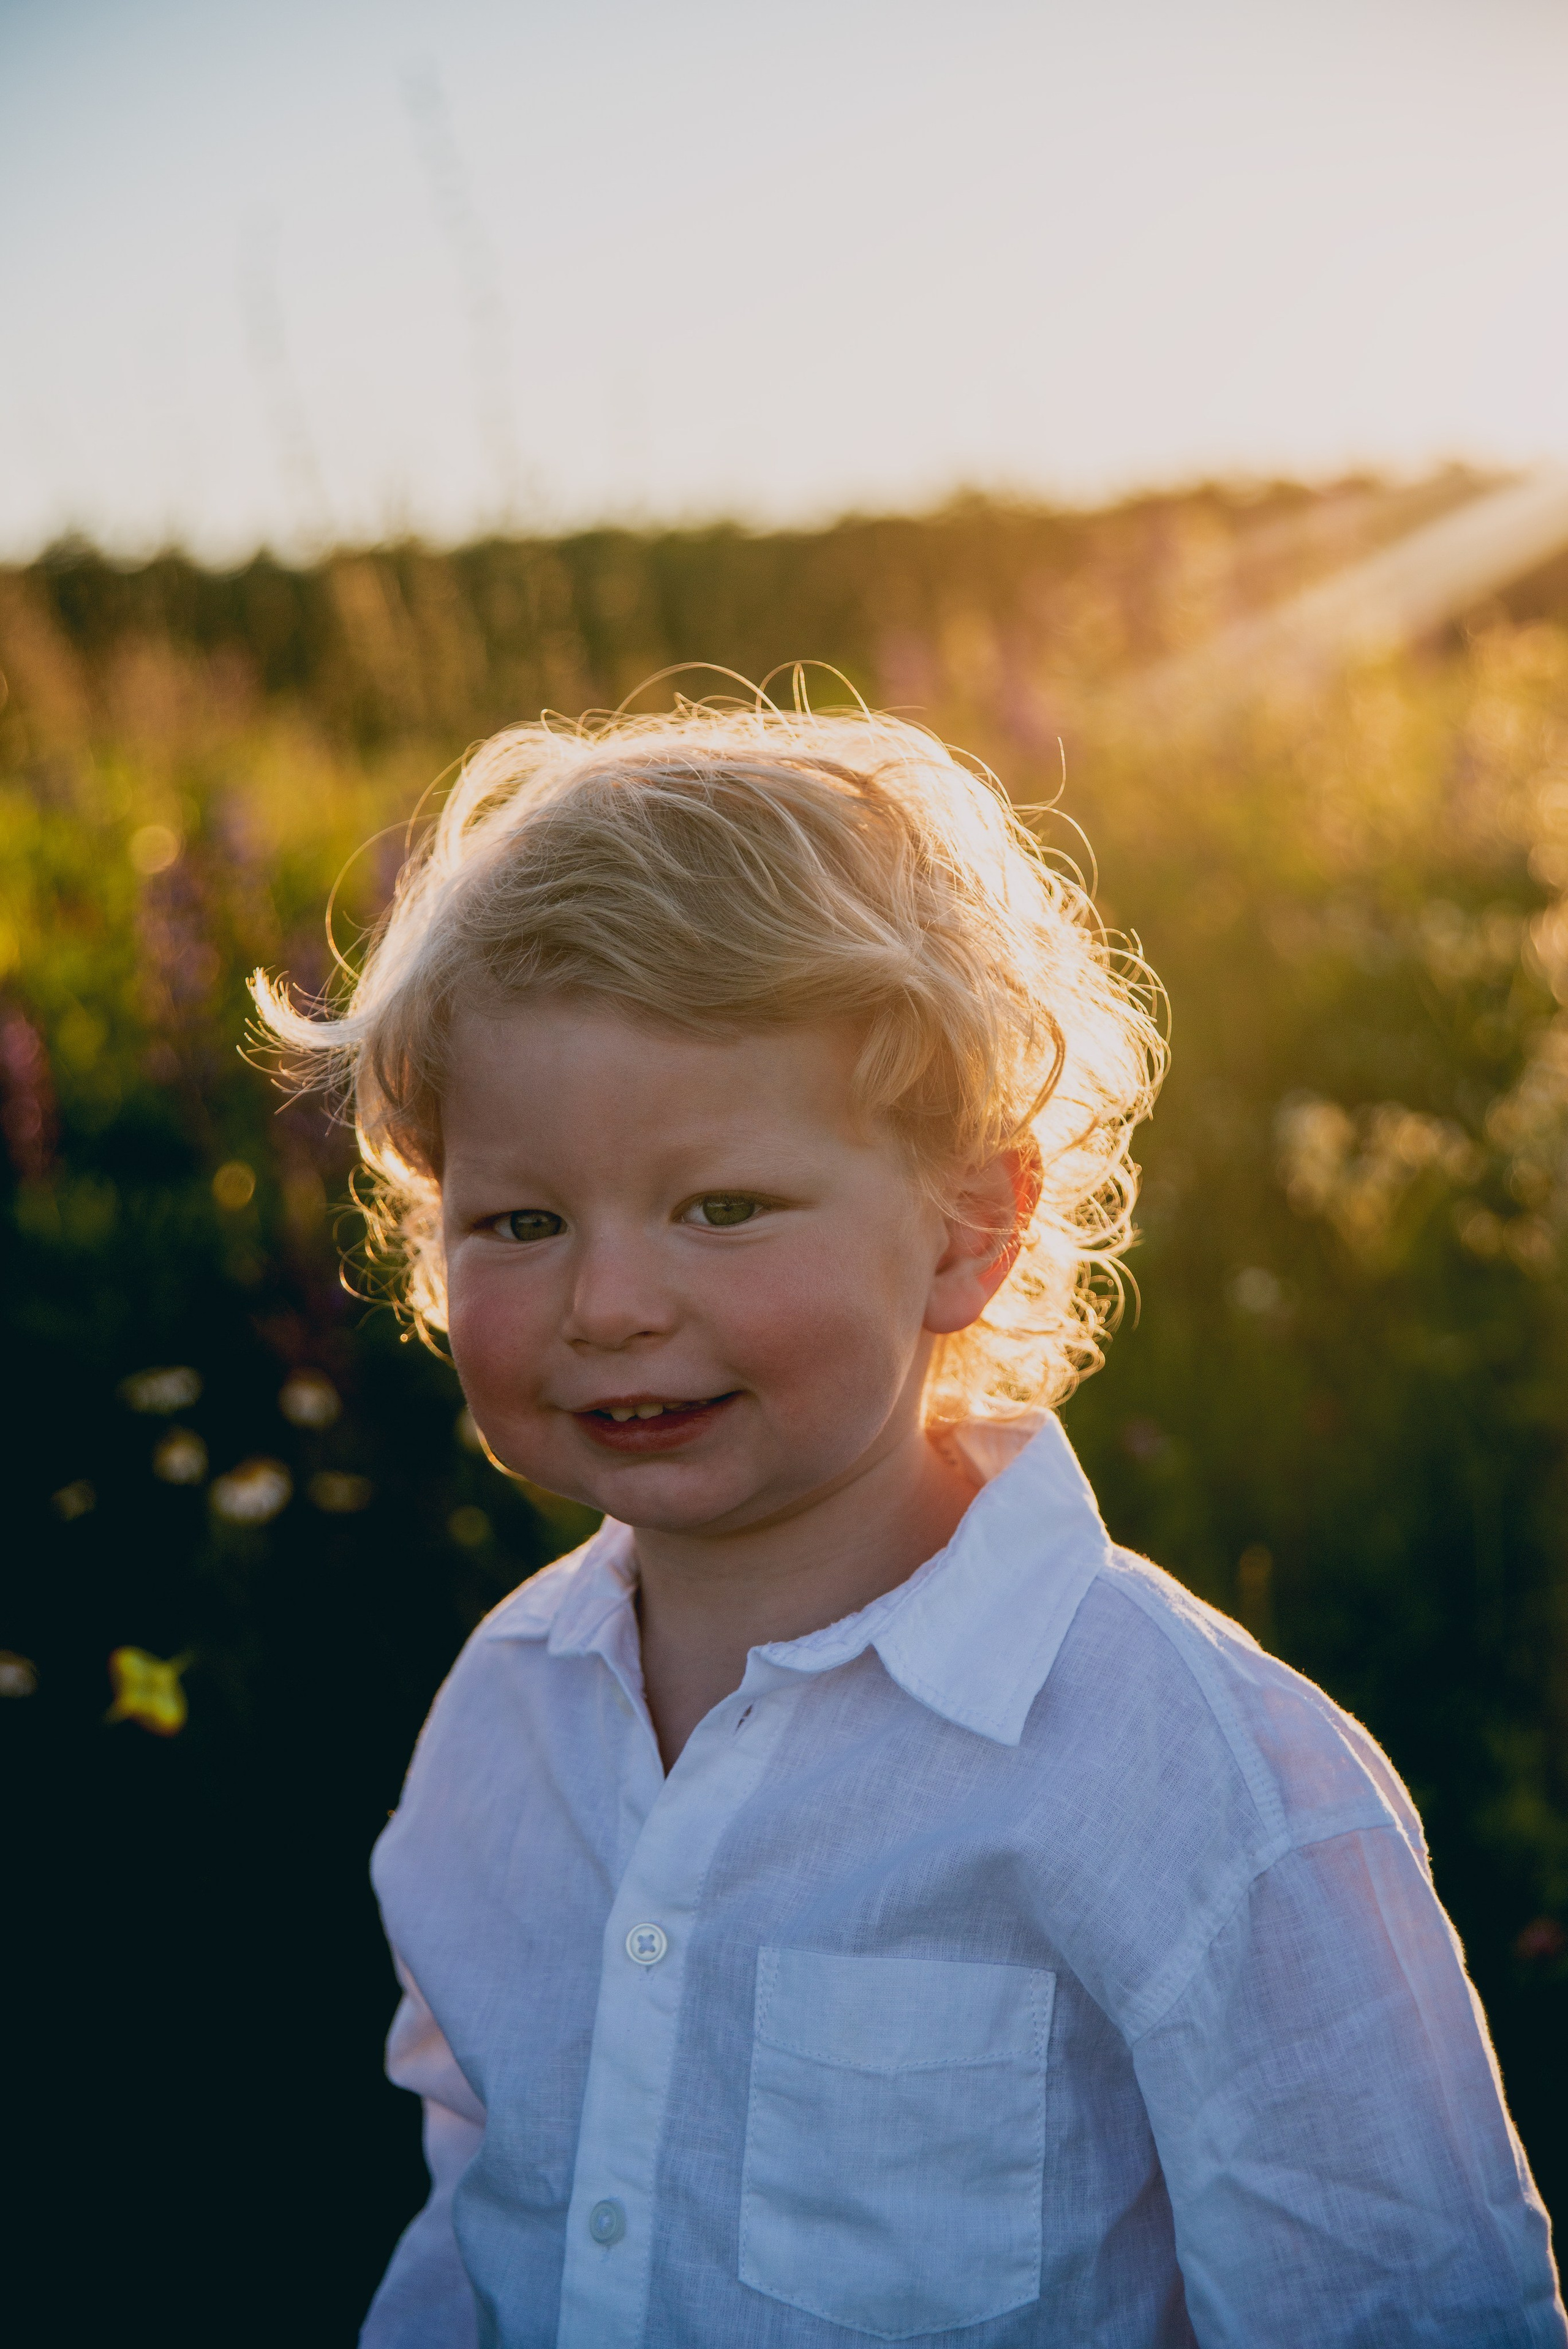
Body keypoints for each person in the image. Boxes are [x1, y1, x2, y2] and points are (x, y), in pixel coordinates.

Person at [255, 693, 1564, 2348]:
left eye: (721, 1206)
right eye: (518, 1218)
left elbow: (1401, 2305)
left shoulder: (1188, 1773)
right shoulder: (504, 1720)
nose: (608, 1300)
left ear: (967, 1225)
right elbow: (491, 2209)